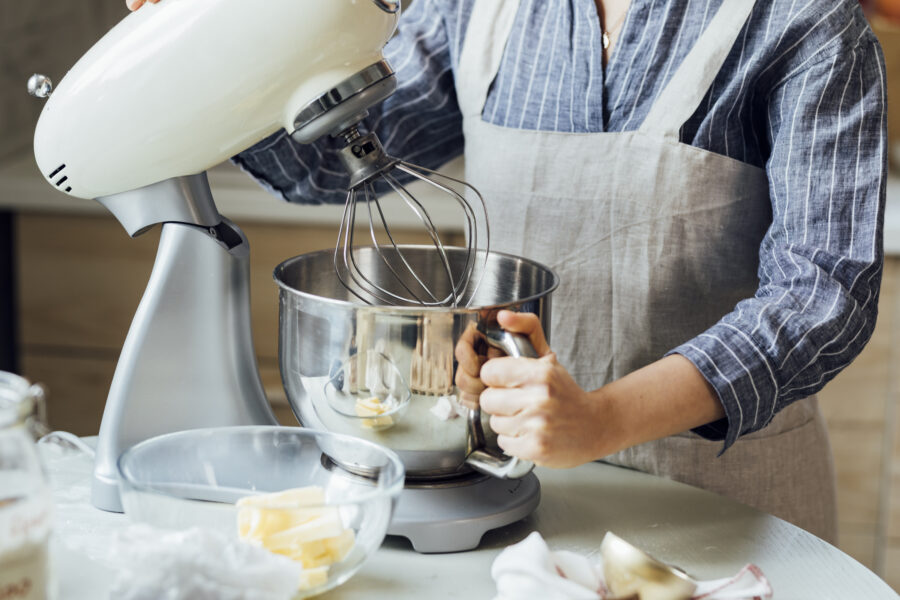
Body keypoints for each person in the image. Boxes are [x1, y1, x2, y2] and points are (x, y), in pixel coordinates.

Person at [130, 0, 887, 542]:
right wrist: (209, 63)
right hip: (512, 498)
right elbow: (328, 165)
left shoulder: (807, 23)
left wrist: (601, 420)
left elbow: (823, 293)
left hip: (724, 507)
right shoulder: (477, 10)